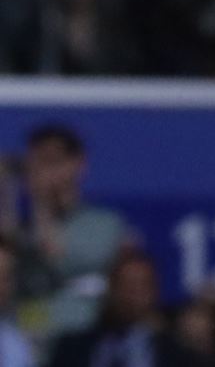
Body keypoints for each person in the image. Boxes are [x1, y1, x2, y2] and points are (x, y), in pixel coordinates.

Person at [11, 124, 139, 344]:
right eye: (36, 164)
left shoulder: (105, 224)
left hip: (88, 336)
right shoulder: (20, 229)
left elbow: (57, 258)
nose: (44, 172)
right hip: (33, 336)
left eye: (52, 162)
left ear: (78, 163)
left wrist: (41, 204)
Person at [46, 245, 215, 367]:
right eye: (125, 286)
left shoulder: (179, 356)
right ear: (110, 289)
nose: (131, 296)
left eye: (141, 287)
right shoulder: (71, 349)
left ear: (155, 292)